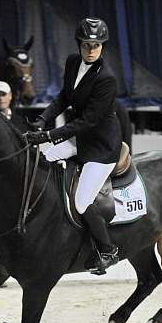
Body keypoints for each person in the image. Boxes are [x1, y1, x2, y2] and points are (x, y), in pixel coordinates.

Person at [25, 17, 122, 274]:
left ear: (102, 47)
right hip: (79, 138)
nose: (91, 50)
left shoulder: (107, 79)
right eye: (87, 44)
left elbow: (88, 121)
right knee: (42, 160)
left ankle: (107, 250)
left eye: (97, 45)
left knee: (81, 202)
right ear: (79, 44)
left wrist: (48, 135)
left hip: (101, 146)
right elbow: (64, 97)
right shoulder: (72, 62)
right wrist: (42, 119)